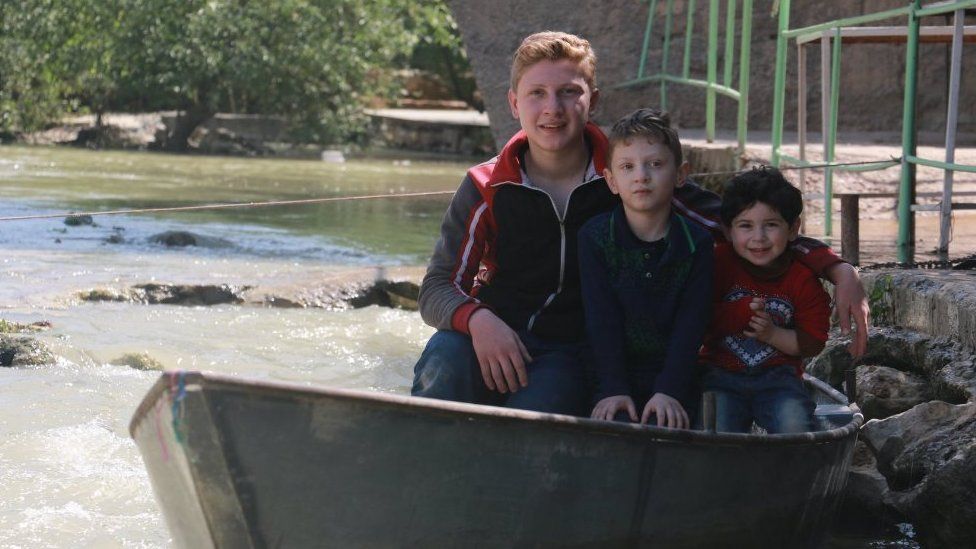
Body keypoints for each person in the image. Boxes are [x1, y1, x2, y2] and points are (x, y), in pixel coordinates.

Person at [411, 31, 867, 416]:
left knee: (534, 418)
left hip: (569, 350)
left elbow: (743, 226)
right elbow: (436, 286)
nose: (553, 107)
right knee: (443, 360)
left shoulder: (630, 175)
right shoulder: (486, 185)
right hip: (493, 333)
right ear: (514, 103)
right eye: (537, 94)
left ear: (592, 101)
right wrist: (478, 320)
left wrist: (836, 268)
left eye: (569, 91)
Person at [579, 109, 712, 428]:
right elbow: (601, 319)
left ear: (681, 175)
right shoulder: (595, 237)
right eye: (627, 166)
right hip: (610, 375)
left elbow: (691, 325)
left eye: (655, 164)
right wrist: (613, 388)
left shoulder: (697, 243)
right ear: (611, 180)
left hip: (675, 376)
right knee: (614, 428)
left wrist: (669, 390)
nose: (641, 175)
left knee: (666, 428)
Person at [699, 167, 829, 433]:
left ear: (793, 229)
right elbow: (697, 318)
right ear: (728, 230)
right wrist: (737, 314)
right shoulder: (716, 264)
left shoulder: (802, 278)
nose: (758, 238)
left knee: (795, 427)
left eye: (771, 225)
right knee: (712, 431)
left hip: (779, 377)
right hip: (719, 374)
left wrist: (771, 334)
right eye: (745, 226)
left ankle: (793, 473)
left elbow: (812, 341)